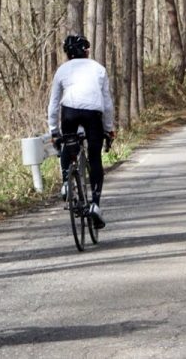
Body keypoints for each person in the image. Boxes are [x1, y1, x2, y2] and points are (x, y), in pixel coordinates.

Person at [47, 34, 114, 229]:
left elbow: (53, 104)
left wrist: (53, 130)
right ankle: (95, 205)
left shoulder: (62, 70)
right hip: (93, 114)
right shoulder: (99, 69)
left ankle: (67, 182)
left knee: (68, 144)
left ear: (67, 54)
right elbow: (108, 104)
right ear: (85, 51)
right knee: (94, 158)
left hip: (69, 112)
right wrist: (109, 129)